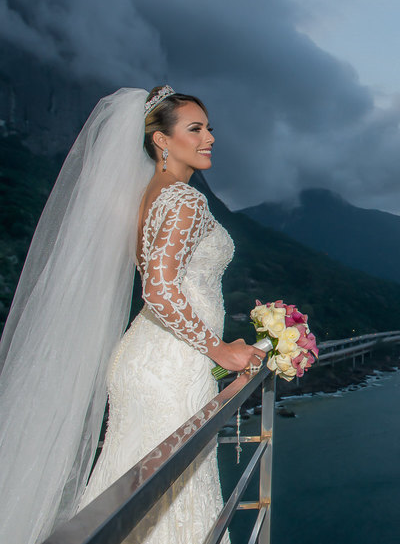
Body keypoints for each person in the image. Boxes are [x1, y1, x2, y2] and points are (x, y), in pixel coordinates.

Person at [0, 86, 266, 544]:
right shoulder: (185, 201)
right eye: (195, 128)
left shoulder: (148, 196)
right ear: (162, 141)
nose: (210, 138)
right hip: (170, 364)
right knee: (175, 488)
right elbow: (159, 289)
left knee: (133, 485)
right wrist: (220, 350)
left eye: (209, 129)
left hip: (148, 358)